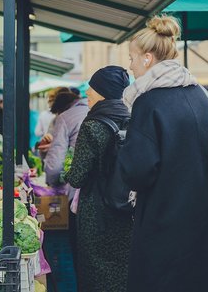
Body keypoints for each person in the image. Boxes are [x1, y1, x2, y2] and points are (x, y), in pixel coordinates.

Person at [119, 15, 208, 292]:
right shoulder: (207, 98)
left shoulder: (147, 103)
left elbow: (137, 171)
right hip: (204, 222)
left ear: (148, 58)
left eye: (132, 58)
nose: (129, 66)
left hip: (162, 222)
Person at [66, 66, 133, 292]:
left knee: (95, 273)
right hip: (128, 209)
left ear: (103, 91)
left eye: (91, 88)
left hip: (97, 214)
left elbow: (77, 176)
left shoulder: (93, 124)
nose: (87, 93)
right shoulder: (134, 118)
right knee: (124, 270)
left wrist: (68, 169)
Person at [43, 87, 88, 280]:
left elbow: (55, 166)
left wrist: (52, 183)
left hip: (76, 194)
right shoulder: (95, 111)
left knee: (77, 245)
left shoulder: (65, 118)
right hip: (110, 195)